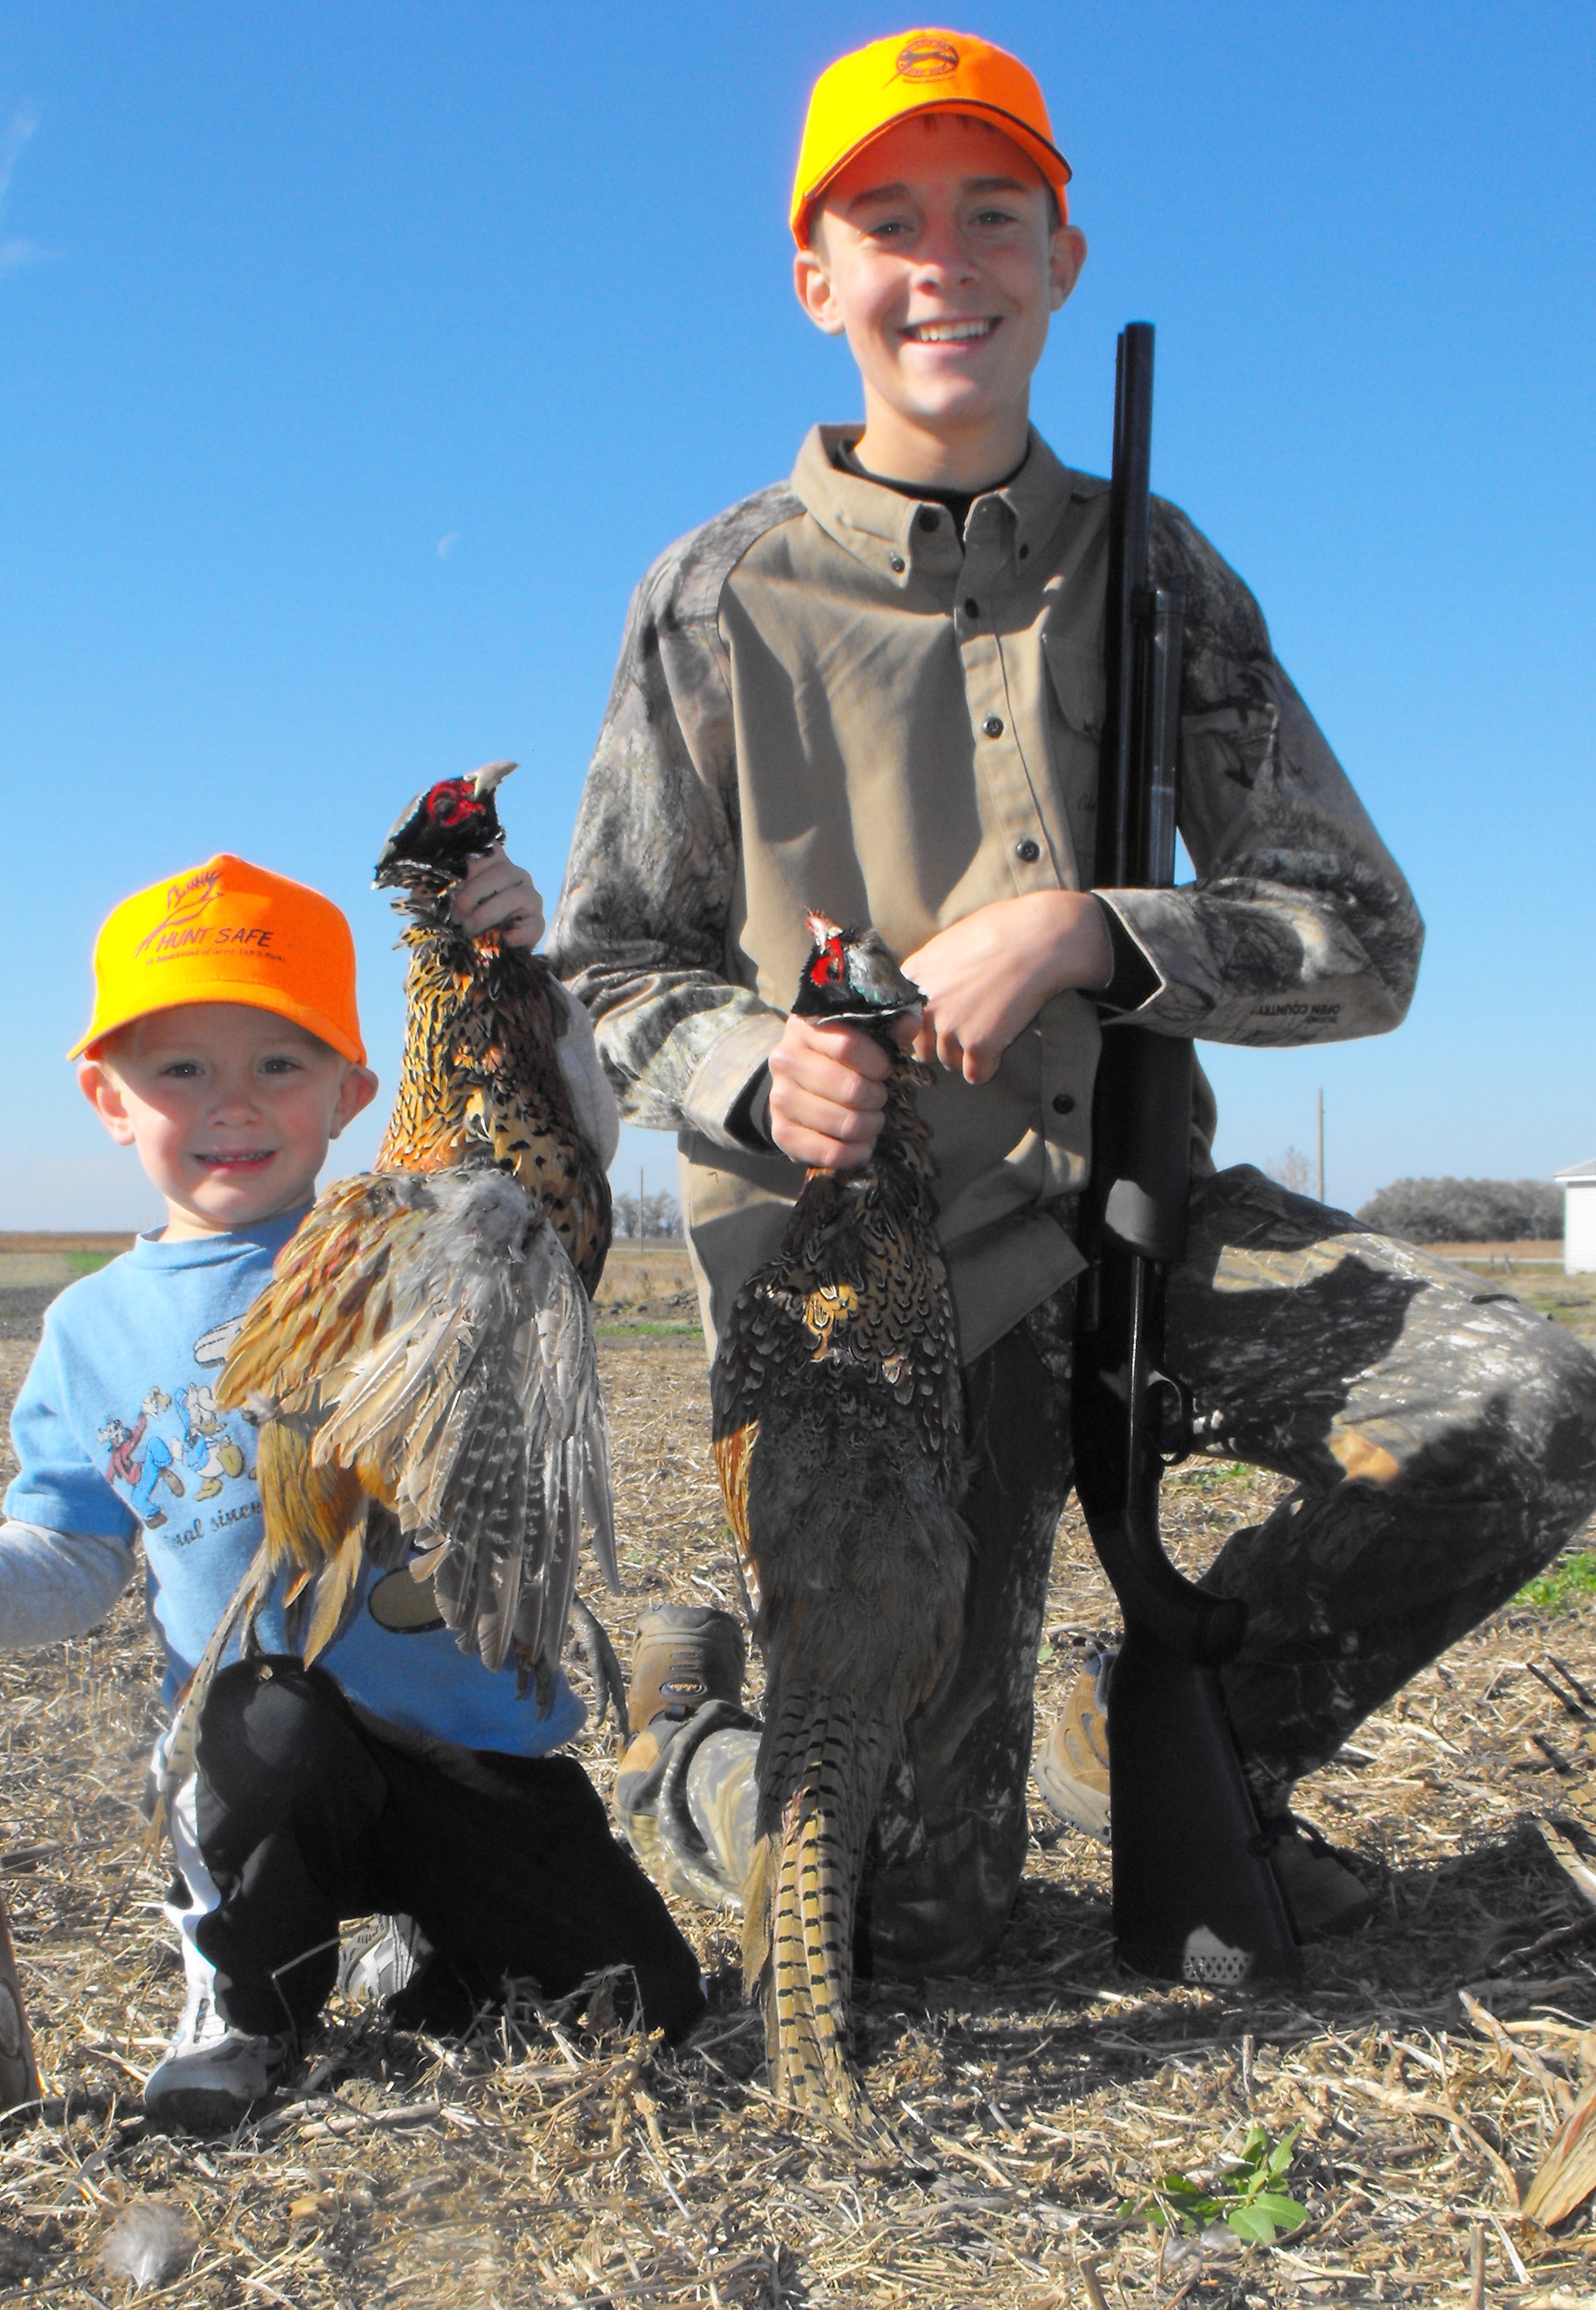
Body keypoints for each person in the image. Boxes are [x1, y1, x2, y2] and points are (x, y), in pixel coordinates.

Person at [549, 29, 1596, 1979]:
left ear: (1063, 257)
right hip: (866, 1307)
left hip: (1143, 1222)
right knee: (907, 1931)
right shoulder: (709, 599)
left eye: (993, 213)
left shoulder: (1163, 569)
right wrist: (759, 1070)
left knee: (1527, 1403)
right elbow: (610, 965)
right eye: (890, 220)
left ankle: (1176, 1730)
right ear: (816, 276)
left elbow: (1363, 930)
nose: (943, 260)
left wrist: (1103, 933)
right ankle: (690, 1735)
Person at [0, 849, 701, 2129]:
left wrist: (524, 986)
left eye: (277, 1066)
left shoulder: (421, 1238)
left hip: (470, 1742)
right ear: (107, 1097)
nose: (232, 1104)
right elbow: (68, 1563)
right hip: (267, 1765)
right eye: (182, 1068)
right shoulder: (93, 1330)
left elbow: (561, 1147)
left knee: (649, 2003)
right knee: (262, 1721)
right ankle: (247, 2003)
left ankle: (438, 1947)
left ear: (351, 1092)